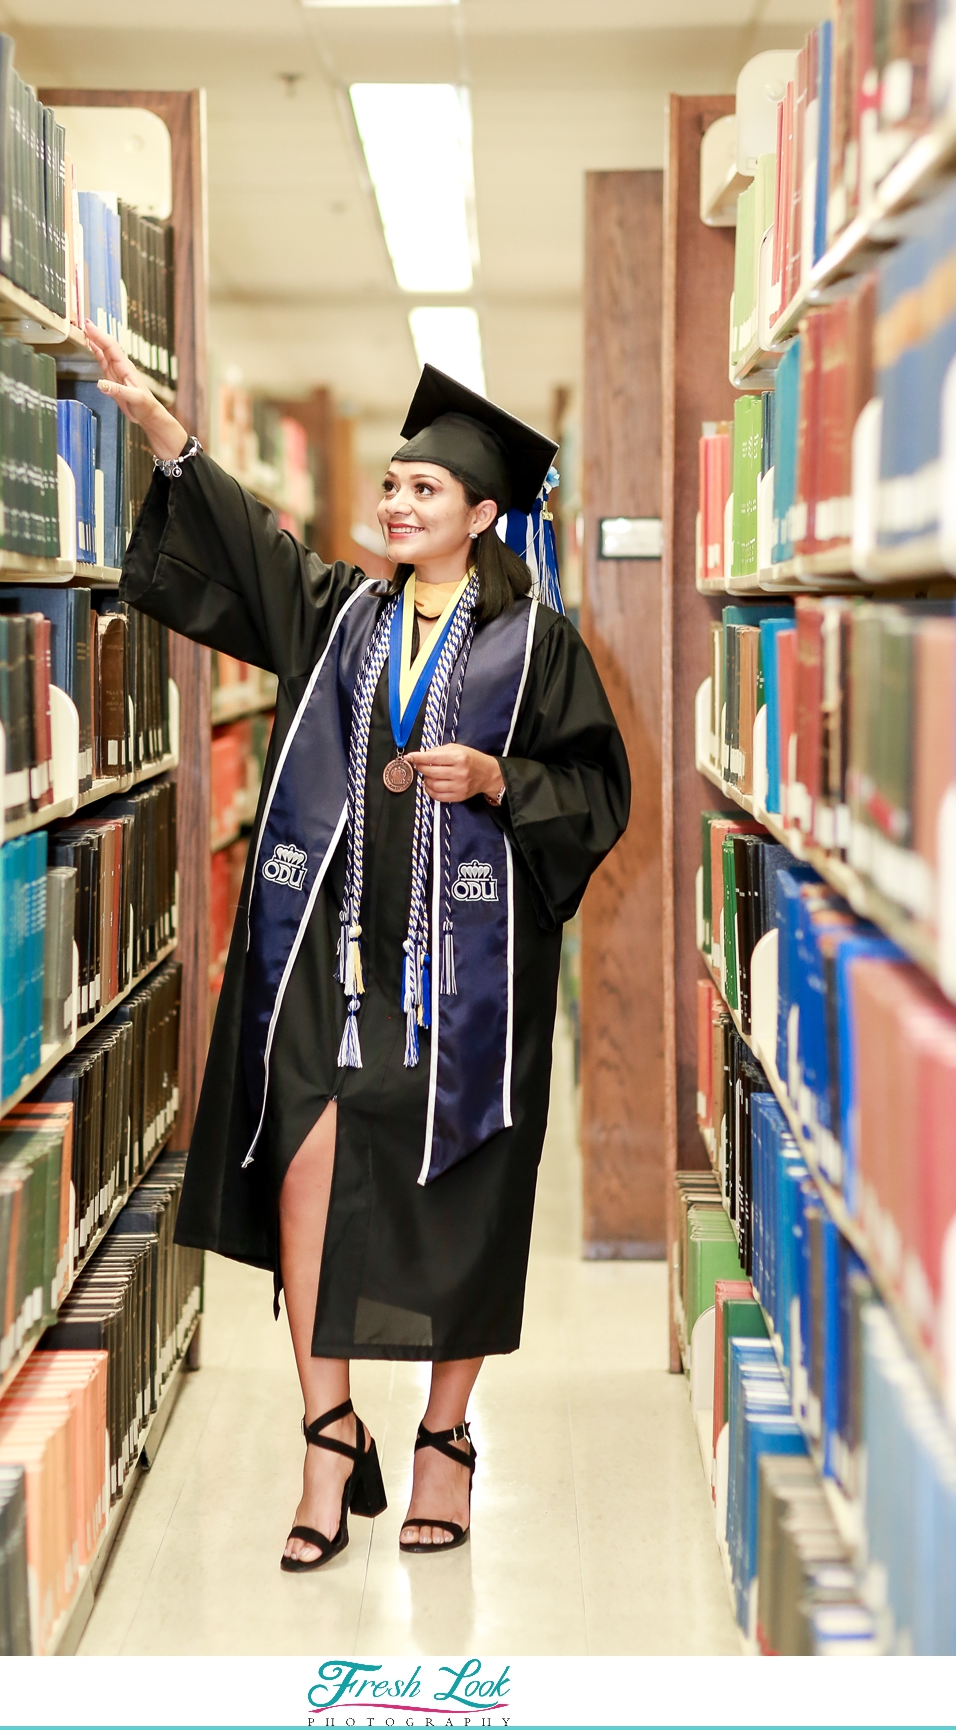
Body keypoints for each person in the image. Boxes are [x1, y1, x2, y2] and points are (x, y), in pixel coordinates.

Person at [90, 324, 631, 1570]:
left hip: (464, 977)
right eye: (392, 483)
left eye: (424, 487)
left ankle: (444, 1436)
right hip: (326, 966)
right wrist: (166, 436)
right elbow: (250, 545)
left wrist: (502, 776)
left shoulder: (537, 644)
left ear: (482, 514)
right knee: (305, 1166)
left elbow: (598, 789)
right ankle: (328, 1431)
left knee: (464, 1195)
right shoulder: (341, 616)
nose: (397, 499)